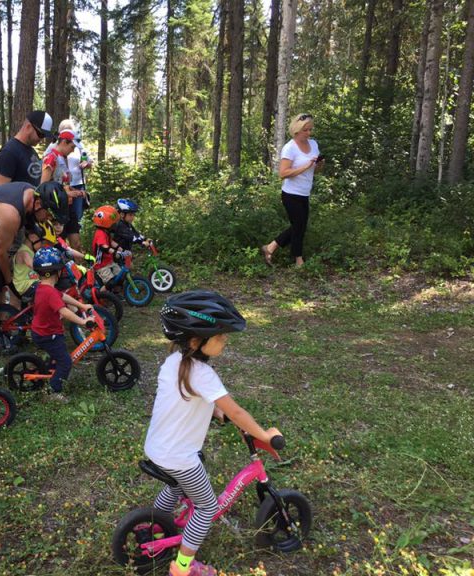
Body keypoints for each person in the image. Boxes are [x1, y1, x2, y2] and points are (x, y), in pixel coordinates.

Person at [144, 290, 281, 576]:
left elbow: (189, 398)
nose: (225, 340)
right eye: (220, 336)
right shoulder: (203, 374)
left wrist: (214, 411)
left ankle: (152, 525)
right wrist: (265, 435)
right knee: (206, 508)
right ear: (196, 340)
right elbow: (237, 413)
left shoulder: (174, 363)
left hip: (157, 449)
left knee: (176, 486)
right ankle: (182, 568)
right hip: (179, 457)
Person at [0, 181, 70, 337]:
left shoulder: (31, 195)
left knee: (0, 282)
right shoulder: (11, 215)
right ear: (38, 204)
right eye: (49, 214)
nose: (48, 219)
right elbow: (1, 252)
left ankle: (1, 323)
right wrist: (10, 280)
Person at [261, 113, 324, 268]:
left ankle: (270, 247)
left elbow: (315, 171)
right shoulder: (289, 148)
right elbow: (283, 174)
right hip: (290, 195)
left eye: (310, 130)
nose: (309, 133)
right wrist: (305, 166)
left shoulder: (314, 144)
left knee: (299, 225)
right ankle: (298, 260)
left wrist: (320, 164)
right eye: (306, 130)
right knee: (299, 226)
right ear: (297, 130)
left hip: (305, 193)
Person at [30, 246, 93, 401]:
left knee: (57, 355)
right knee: (65, 362)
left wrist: (82, 306)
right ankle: (53, 392)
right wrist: (83, 322)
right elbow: (64, 311)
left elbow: (63, 297)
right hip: (48, 334)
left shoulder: (44, 287)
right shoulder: (49, 292)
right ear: (58, 272)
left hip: (44, 331)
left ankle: (50, 370)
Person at [45, 119, 93, 249]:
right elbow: (43, 188)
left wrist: (75, 191)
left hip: (68, 204)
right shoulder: (51, 157)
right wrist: (66, 193)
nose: (73, 151)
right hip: (56, 207)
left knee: (76, 240)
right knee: (57, 244)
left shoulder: (64, 158)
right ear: (64, 142)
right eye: (72, 147)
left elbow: (63, 183)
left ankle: (78, 267)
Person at [0, 110, 55, 186]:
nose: (42, 139)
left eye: (44, 136)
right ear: (28, 127)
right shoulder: (8, 152)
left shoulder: (31, 150)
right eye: (40, 134)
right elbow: (1, 192)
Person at [90, 204, 123, 287]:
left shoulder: (106, 233)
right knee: (110, 283)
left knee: (121, 276)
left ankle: (116, 292)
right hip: (101, 264)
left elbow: (111, 243)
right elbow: (103, 247)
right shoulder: (100, 233)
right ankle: (103, 294)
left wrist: (121, 249)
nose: (115, 225)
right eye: (114, 223)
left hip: (109, 261)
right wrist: (115, 252)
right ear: (107, 223)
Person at [12, 225, 44, 303]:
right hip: (24, 285)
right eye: (41, 241)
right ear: (33, 237)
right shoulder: (24, 252)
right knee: (48, 290)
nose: (42, 245)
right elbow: (34, 266)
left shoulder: (31, 251)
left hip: (32, 283)